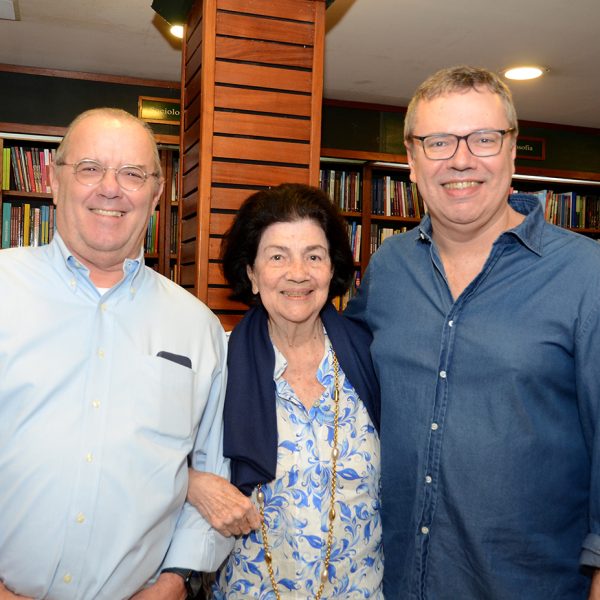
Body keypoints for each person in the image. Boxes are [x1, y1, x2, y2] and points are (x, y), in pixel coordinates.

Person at [344, 64, 600, 599]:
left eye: (483, 138)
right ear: (412, 161)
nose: (461, 159)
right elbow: (330, 376)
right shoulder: (388, 268)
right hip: (394, 582)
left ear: (512, 150)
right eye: (438, 142)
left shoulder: (586, 275)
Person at [0, 108, 233, 599]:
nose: (111, 188)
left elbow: (213, 473)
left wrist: (176, 581)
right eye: (90, 168)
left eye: (132, 174)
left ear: (156, 194)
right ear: (53, 179)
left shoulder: (198, 328)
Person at [188, 183, 383, 598]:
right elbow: (150, 457)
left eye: (314, 256)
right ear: (252, 274)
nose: (298, 273)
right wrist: (191, 482)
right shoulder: (215, 363)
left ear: (332, 270)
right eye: (278, 257)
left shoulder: (373, 359)